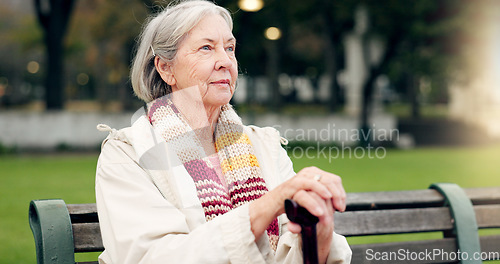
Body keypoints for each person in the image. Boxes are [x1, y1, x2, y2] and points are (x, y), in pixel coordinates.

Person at [95, 1, 352, 263]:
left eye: (230, 48)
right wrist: (265, 207)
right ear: (165, 68)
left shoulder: (264, 144)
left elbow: (287, 254)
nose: (225, 61)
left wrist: (318, 236)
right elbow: (152, 257)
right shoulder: (127, 154)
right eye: (206, 48)